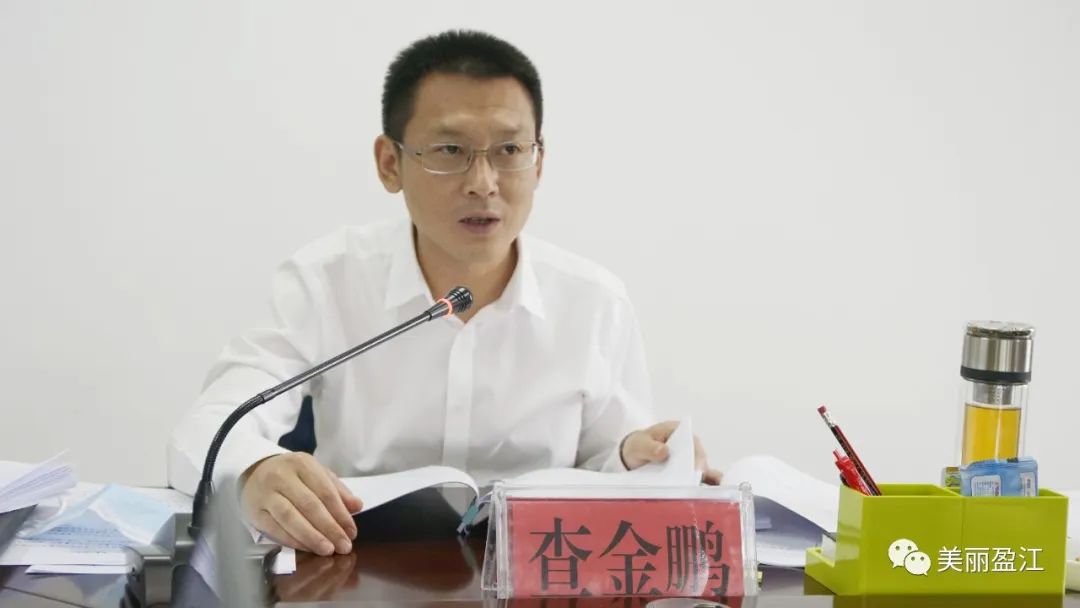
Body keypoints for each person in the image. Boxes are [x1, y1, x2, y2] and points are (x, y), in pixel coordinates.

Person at [168, 30, 721, 557]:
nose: (483, 182)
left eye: (509, 149)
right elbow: (208, 427)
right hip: (353, 570)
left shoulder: (595, 303)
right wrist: (253, 469)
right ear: (390, 163)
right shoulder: (326, 281)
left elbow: (605, 466)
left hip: (534, 577)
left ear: (539, 161)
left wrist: (635, 459)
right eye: (451, 150)